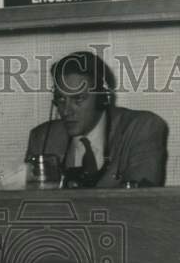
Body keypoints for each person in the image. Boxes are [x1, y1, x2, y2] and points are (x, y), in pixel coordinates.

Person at [25, 50, 168, 187]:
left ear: (102, 98)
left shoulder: (141, 128)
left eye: (78, 98)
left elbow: (140, 198)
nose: (66, 111)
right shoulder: (42, 138)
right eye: (61, 99)